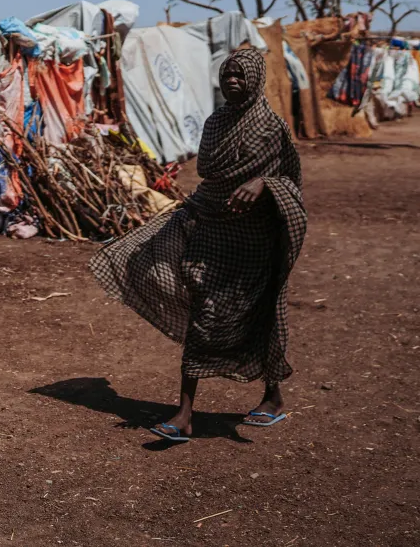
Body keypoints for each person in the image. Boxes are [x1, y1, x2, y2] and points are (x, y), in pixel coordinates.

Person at [90, 47, 307, 442]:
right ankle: (184, 413)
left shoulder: (272, 127)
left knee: (261, 315)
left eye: (240, 75)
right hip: (210, 228)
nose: (232, 81)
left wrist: (264, 184)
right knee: (202, 314)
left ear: (256, 79)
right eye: (227, 75)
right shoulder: (215, 121)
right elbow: (209, 174)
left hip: (255, 241)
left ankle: (272, 397)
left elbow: (291, 182)